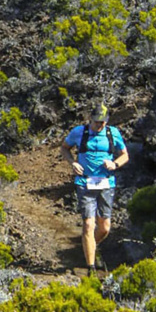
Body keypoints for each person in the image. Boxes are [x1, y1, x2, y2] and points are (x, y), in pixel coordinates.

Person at [59, 104, 130, 277]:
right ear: (90, 119)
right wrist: (73, 163)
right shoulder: (78, 132)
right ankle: (90, 267)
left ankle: (87, 246)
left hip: (106, 183)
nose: (100, 125)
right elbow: (64, 148)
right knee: (89, 224)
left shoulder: (112, 133)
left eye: (103, 122)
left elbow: (125, 155)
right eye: (97, 122)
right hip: (85, 183)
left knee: (104, 227)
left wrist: (115, 164)